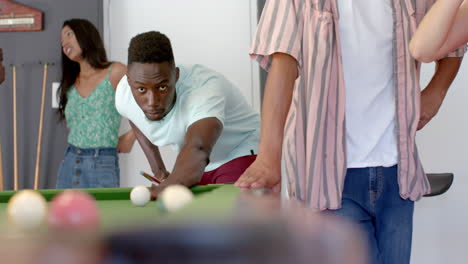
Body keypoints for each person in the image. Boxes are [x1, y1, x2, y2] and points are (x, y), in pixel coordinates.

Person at [235, 1, 466, 263]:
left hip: (399, 174)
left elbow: (453, 32)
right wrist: (268, 157)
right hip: (326, 177)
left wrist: (437, 90)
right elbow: (282, 64)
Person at [115, 31, 260, 196]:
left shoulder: (203, 90)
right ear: (129, 81)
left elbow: (198, 148)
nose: (152, 101)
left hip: (238, 151)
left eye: (162, 87)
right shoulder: (124, 95)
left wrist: (168, 187)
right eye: (141, 89)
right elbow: (136, 120)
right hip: (196, 164)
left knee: (231, 218)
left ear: (176, 76)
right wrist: (159, 170)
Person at [56, 19, 135, 188]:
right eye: (62, 40)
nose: (64, 43)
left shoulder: (116, 72)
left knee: (102, 215)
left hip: (102, 162)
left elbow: (148, 105)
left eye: (69, 34)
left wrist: (131, 137)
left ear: (86, 35)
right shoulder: (70, 81)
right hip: (70, 160)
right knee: (62, 214)